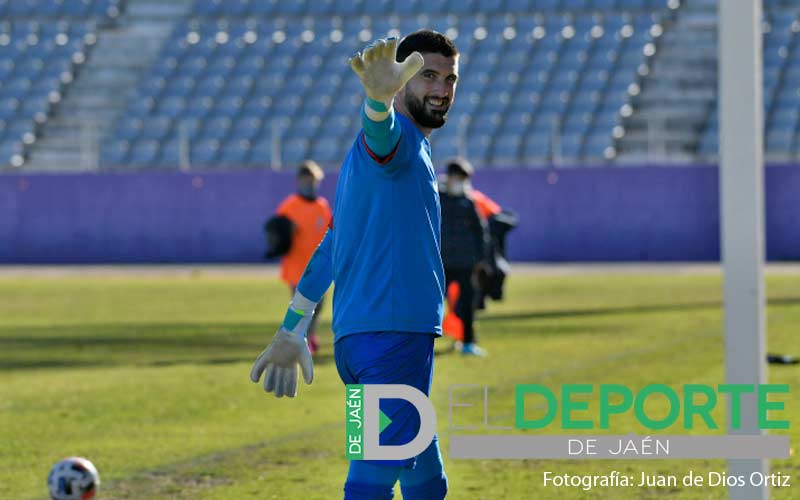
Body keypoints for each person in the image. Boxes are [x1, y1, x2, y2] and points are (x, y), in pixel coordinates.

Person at [250, 31, 458, 500]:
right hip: (392, 339)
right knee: (374, 479)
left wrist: (291, 328)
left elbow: (331, 247)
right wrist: (377, 103)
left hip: (362, 340)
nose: (442, 88)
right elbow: (380, 136)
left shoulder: (379, 158)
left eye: (450, 78)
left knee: (427, 478)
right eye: (428, 75)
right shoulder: (394, 140)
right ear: (400, 80)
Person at [274, 160, 332, 354]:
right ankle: (300, 340)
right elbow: (276, 234)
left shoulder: (322, 206)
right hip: (296, 267)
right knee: (300, 308)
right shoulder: (289, 206)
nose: (310, 184)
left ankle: (309, 336)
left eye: (313, 180)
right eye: (307, 180)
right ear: (299, 180)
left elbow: (330, 234)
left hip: (319, 267)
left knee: (319, 306)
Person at [440, 157, 490, 356]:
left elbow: (481, 232)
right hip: (441, 262)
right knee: (430, 304)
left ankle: (468, 342)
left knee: (467, 304)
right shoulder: (436, 198)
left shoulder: (468, 202)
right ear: (450, 177)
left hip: (464, 264)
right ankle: (419, 344)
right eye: (459, 177)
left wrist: (479, 258)